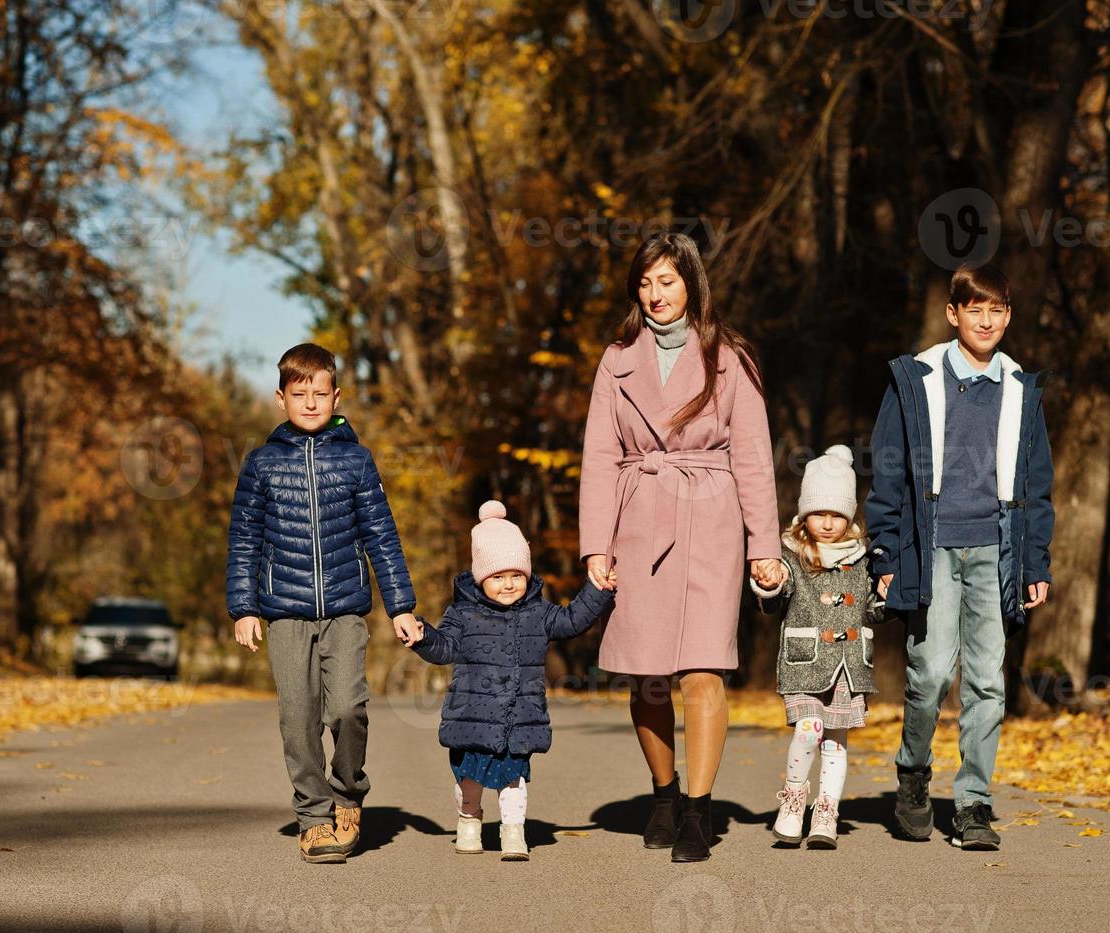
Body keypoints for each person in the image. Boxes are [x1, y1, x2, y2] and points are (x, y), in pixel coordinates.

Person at [578, 232, 785, 863]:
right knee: (646, 674)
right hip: (638, 522)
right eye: (644, 283)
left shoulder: (730, 357)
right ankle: (663, 793)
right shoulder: (616, 360)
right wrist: (596, 546)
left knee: (703, 666)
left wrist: (764, 547)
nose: (655, 295)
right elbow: (599, 457)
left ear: (691, 284)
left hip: (711, 523)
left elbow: (753, 458)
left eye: (667, 281)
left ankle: (698, 809)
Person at [865, 263, 1054, 851]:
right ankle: (914, 773)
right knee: (930, 674)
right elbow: (888, 472)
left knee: (987, 682)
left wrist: (1035, 562)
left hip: (995, 550)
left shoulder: (1021, 389)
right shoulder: (914, 379)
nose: (986, 319)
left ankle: (974, 801)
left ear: (1008, 317)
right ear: (954, 313)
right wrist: (885, 550)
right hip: (931, 546)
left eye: (997, 310)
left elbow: (1037, 482)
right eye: (975, 309)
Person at [226, 342, 421, 863]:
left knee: (347, 709)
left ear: (337, 397)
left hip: (345, 608)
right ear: (280, 398)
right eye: (299, 393)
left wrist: (401, 605)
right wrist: (243, 607)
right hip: (284, 611)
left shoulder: (357, 461)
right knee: (299, 716)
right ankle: (314, 815)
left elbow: (382, 534)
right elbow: (244, 538)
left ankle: (348, 794)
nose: (310, 402)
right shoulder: (262, 464)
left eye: (320, 392)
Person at [406, 501, 613, 860]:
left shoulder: (538, 612)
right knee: (468, 781)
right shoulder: (464, 614)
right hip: (471, 716)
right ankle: (469, 821)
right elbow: (445, 649)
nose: (508, 585)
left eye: (516, 575)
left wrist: (598, 592)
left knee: (513, 779)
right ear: (481, 578)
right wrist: (424, 637)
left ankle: (513, 831)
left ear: (527, 575)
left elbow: (572, 621)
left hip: (518, 716)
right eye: (498, 577)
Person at [753, 445, 885, 849]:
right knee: (809, 730)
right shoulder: (791, 553)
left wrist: (884, 597)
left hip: (848, 667)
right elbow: (777, 597)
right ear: (804, 512)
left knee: (835, 741)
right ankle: (794, 801)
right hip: (806, 662)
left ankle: (826, 811)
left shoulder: (864, 557)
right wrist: (770, 582)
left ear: (849, 516)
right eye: (819, 513)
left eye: (836, 515)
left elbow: (872, 611)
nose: (827, 524)